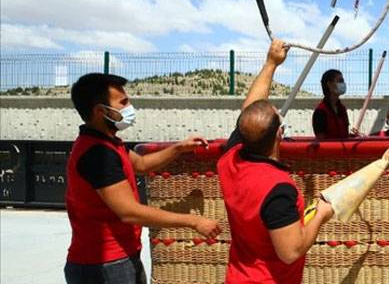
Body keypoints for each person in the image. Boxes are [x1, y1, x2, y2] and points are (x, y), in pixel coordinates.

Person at [65, 73, 220, 284]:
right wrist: (194, 221)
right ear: (100, 111)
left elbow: (141, 165)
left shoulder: (108, 144)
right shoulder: (98, 154)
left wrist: (179, 148)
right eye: (123, 102)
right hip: (103, 266)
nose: (130, 108)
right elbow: (129, 212)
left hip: (120, 258)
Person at [219, 40, 334, 283]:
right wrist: (321, 214)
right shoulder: (278, 189)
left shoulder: (230, 160)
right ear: (280, 133)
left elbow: (250, 112)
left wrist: (271, 63)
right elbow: (290, 252)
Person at [312, 69, 358, 139]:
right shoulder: (320, 112)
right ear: (329, 84)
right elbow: (321, 141)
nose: (343, 84)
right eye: (340, 81)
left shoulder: (342, 108)